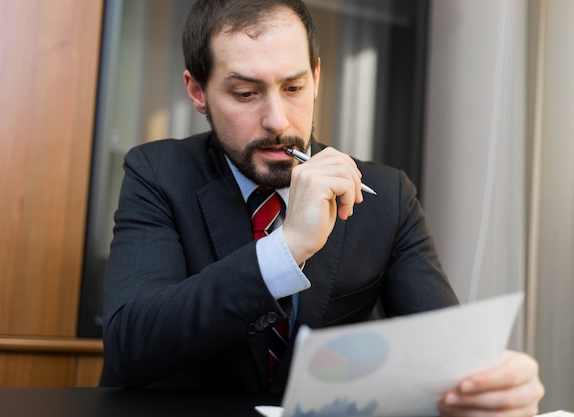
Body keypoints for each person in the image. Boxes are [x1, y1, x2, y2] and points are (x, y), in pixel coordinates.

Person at [102, 0, 545, 415]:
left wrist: (491, 386)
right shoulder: (157, 173)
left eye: (293, 87)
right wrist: (288, 247)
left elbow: (448, 358)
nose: (278, 120)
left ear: (316, 77)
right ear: (197, 92)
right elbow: (130, 346)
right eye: (245, 94)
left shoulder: (388, 196)